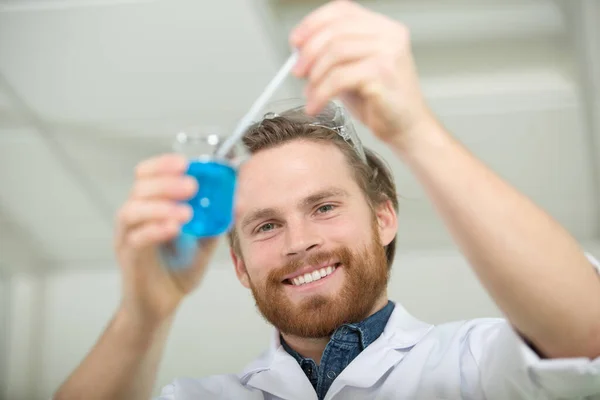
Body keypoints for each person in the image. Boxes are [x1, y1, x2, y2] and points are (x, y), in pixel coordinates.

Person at [54, 1, 600, 399]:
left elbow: (588, 333)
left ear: (384, 217)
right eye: (265, 226)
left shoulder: (476, 367)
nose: (300, 242)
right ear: (240, 266)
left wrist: (414, 129)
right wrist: (144, 313)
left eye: (324, 207)